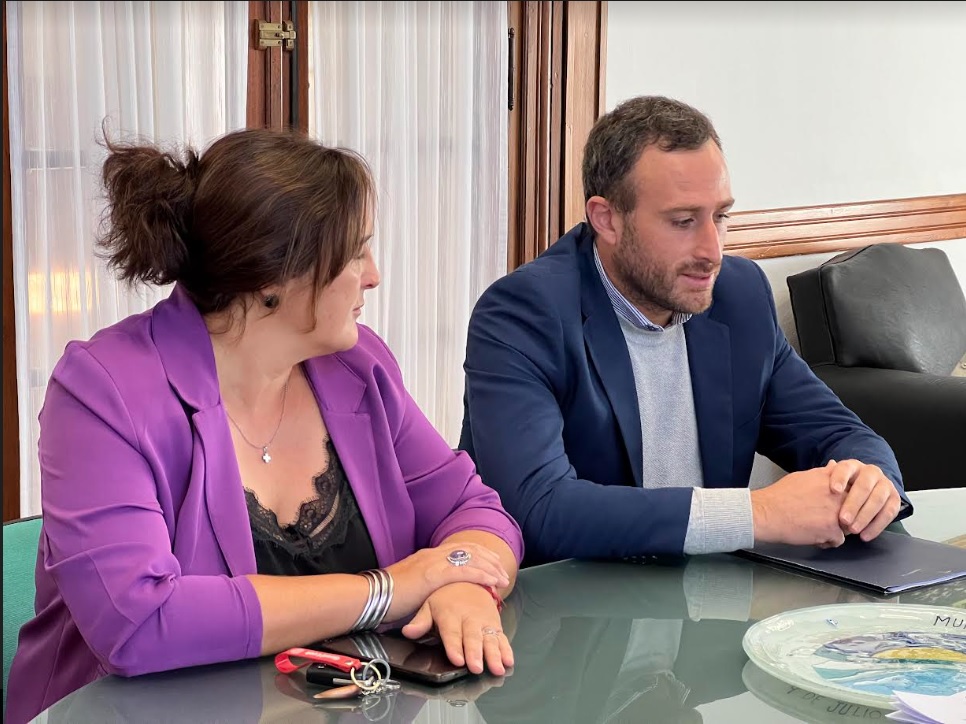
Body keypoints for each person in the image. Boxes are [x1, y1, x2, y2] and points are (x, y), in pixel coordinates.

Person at [7, 127, 523, 724]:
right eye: (355, 253)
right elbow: (139, 623)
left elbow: (474, 509)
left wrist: (461, 584)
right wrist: (390, 589)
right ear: (274, 278)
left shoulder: (359, 366)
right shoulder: (101, 391)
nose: (374, 275)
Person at [458, 95, 910, 568]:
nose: (712, 251)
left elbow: (836, 432)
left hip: (711, 594)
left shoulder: (739, 295)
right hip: (568, 599)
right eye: (683, 221)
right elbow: (539, 509)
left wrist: (870, 482)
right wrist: (758, 514)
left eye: (721, 216)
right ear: (607, 219)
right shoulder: (523, 314)